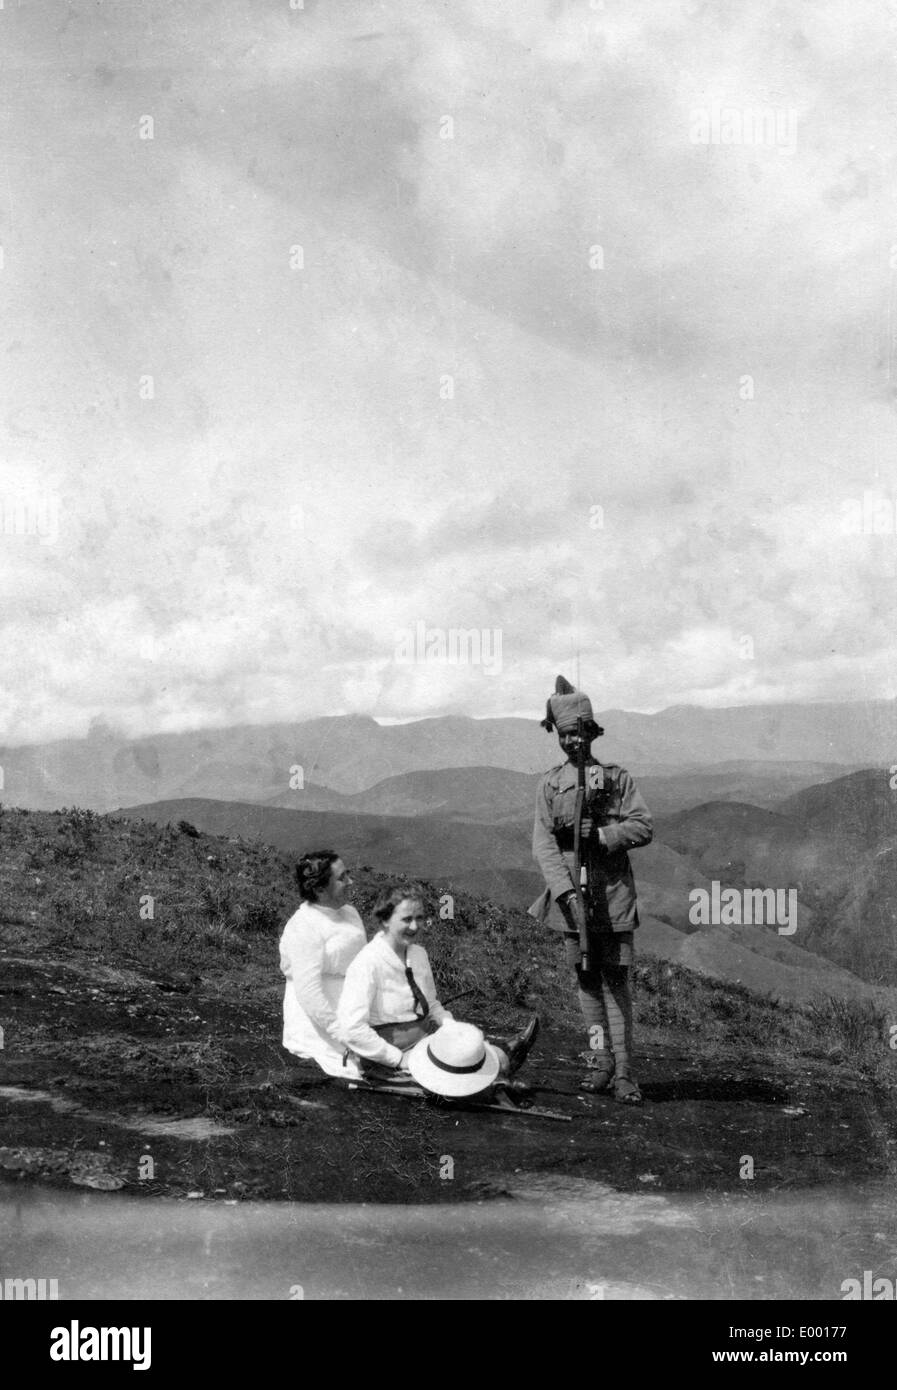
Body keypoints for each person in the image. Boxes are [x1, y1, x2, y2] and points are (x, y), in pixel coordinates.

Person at [530, 675, 653, 1104]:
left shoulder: (617, 779)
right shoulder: (549, 785)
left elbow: (643, 826)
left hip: (613, 894)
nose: (572, 742)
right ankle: (600, 1064)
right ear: (557, 737)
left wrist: (601, 836)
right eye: (565, 735)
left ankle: (625, 1074)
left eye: (579, 733)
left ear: (591, 732)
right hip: (570, 899)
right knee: (585, 978)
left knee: (615, 981)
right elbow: (543, 842)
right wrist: (564, 893)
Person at [336, 883, 538, 1091]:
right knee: (464, 1082)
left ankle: (500, 1063)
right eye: (406, 919)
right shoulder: (367, 963)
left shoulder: (418, 954)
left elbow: (431, 1004)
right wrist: (396, 1058)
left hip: (423, 1043)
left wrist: (451, 1028)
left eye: (420, 918)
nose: (415, 927)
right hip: (386, 1058)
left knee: (482, 1057)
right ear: (385, 920)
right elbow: (351, 1029)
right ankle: (495, 1077)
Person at [278, 849, 367, 1079]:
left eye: (348, 874)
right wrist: (343, 1032)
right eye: (342, 878)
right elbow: (309, 992)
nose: (350, 882)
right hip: (320, 1021)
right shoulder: (304, 926)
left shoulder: (350, 913)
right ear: (319, 889)